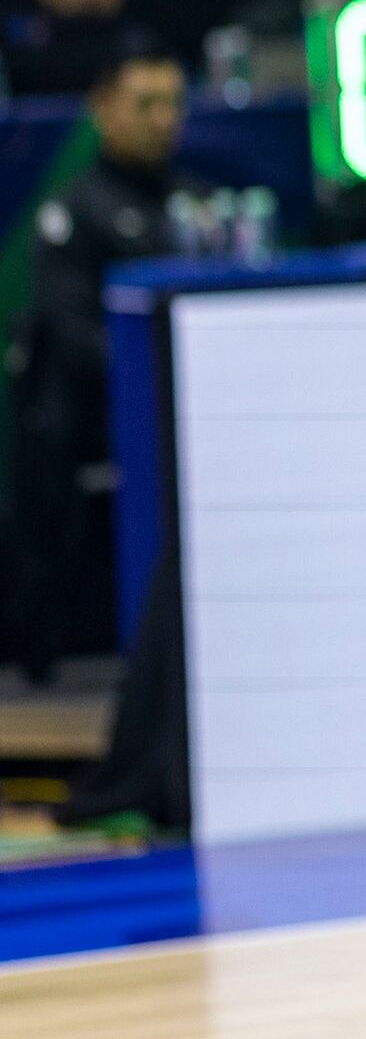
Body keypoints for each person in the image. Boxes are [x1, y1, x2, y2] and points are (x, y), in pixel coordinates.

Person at [8, 42, 201, 685]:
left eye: (173, 103)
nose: (163, 119)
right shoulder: (73, 208)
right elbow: (72, 331)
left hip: (188, 404)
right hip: (95, 412)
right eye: (145, 104)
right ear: (103, 109)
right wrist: (157, 382)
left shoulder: (191, 201)